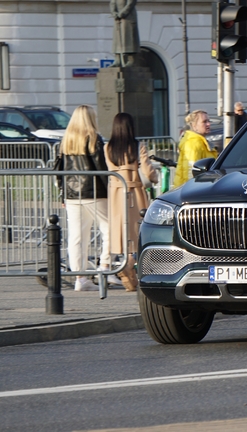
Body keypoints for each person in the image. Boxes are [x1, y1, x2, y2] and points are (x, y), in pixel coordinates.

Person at [59, 105, 111, 292]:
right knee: (110, 230)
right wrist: (110, 190)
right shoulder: (94, 138)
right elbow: (101, 168)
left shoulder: (66, 140)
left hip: (72, 194)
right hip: (94, 192)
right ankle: (104, 267)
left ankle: (79, 278)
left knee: (77, 236)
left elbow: (59, 170)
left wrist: (62, 194)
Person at [104, 112, 158, 291]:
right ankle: (129, 265)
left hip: (116, 192)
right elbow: (148, 170)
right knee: (137, 231)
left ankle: (128, 276)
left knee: (122, 230)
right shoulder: (137, 145)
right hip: (134, 191)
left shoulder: (108, 147)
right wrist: (155, 177)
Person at [173, 110, 218, 187]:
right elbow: (191, 172)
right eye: (204, 122)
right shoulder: (193, 143)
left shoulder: (200, 141)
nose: (208, 124)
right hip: (192, 191)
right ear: (194, 126)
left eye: (208, 121)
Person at [110, 0, 140, 68]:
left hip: (128, 17)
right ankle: (117, 60)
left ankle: (131, 60)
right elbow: (112, 3)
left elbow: (131, 3)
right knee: (117, 39)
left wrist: (123, 12)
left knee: (129, 39)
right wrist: (113, 12)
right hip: (118, 18)